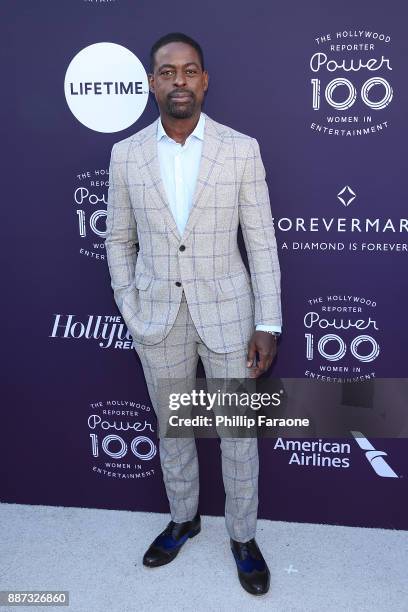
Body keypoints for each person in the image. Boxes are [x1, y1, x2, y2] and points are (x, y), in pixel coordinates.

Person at [105, 32, 282, 596]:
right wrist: (129, 304)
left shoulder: (240, 148)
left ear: (204, 81)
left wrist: (268, 322)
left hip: (230, 315)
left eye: (189, 70)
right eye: (167, 71)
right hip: (158, 315)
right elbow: (117, 238)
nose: (178, 80)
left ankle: (243, 537)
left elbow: (261, 242)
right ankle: (184, 518)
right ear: (153, 83)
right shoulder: (126, 154)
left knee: (237, 434)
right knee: (171, 428)